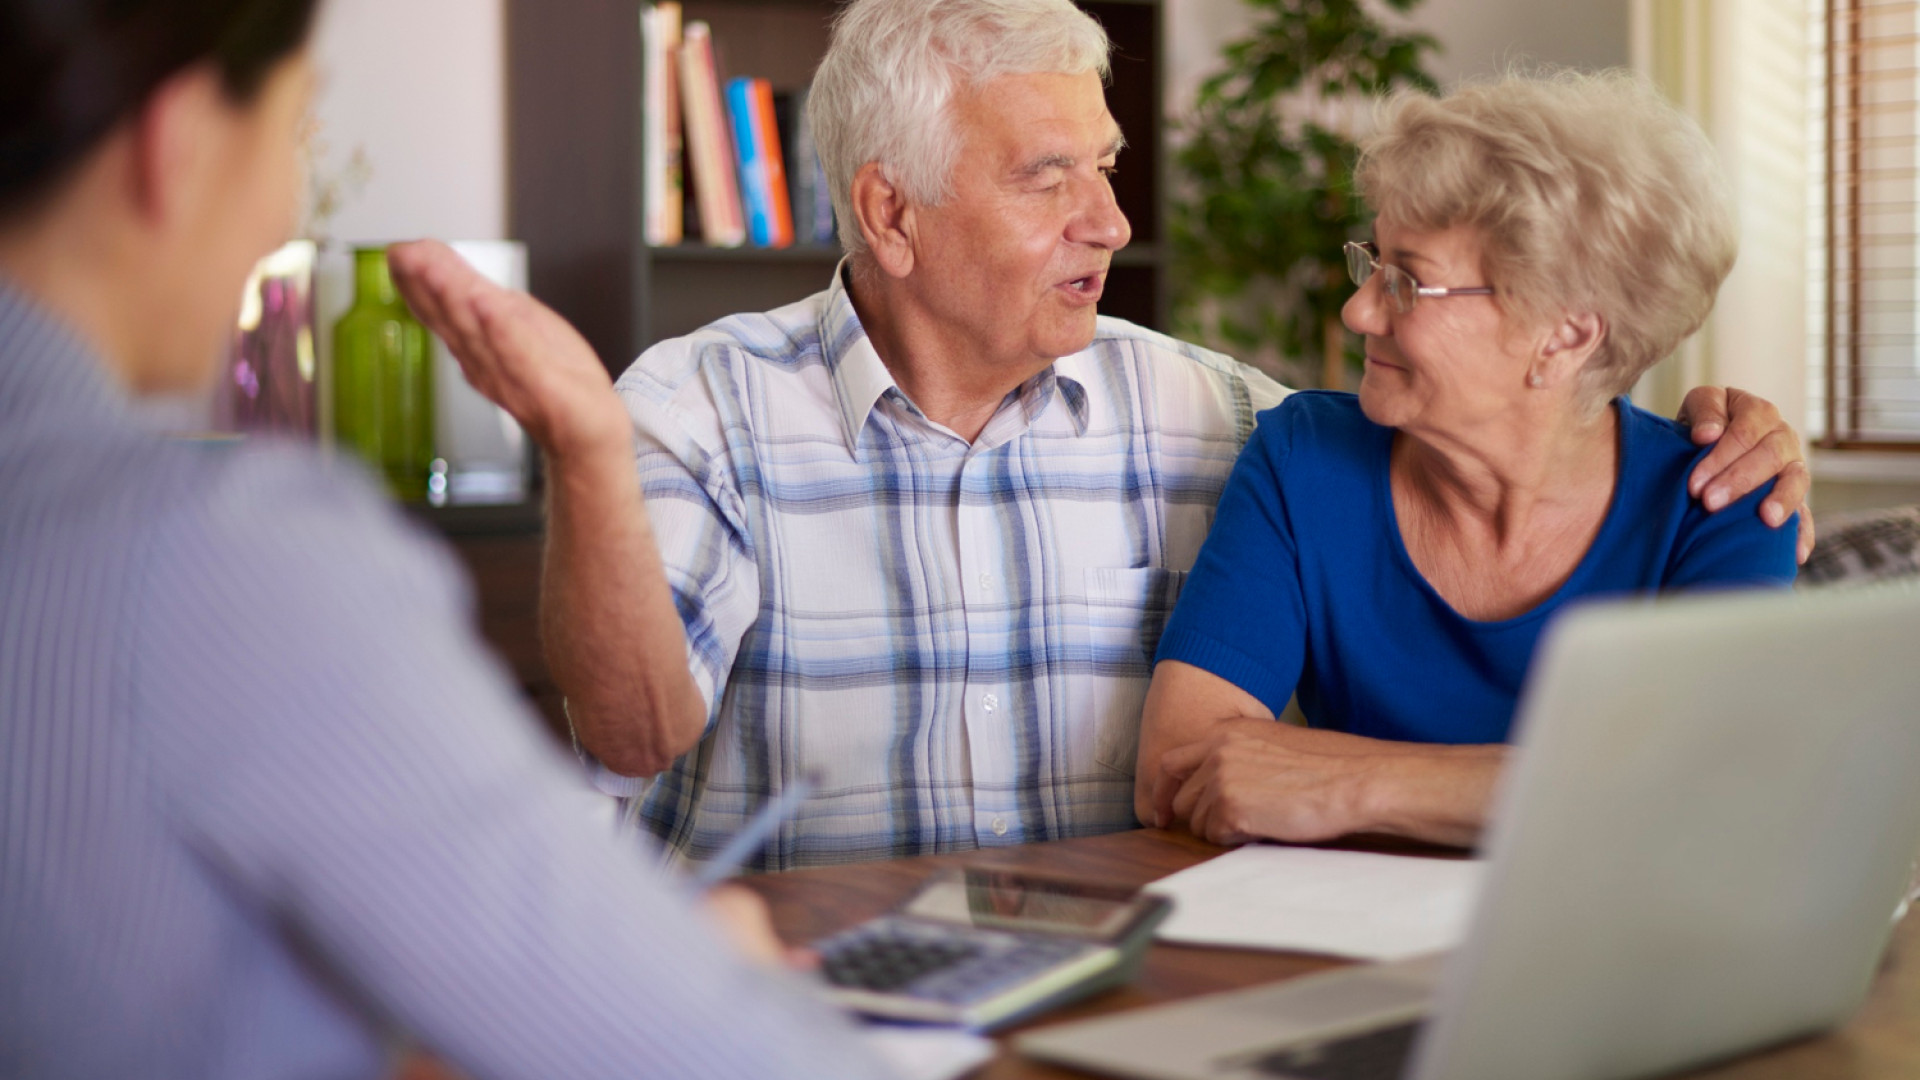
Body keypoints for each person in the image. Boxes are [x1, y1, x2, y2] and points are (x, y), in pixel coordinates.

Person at [391, 0, 1814, 871]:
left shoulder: (1214, 410)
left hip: (1109, 984)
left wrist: (1735, 425)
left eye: (1110, 171)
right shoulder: (696, 408)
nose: (1115, 225)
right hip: (792, 994)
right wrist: (582, 448)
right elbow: (632, 737)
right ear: (889, 214)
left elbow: (1493, 436)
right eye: (1049, 179)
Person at [0, 2, 894, 1077]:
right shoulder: (219, 558)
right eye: (294, 133)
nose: (284, 207)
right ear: (176, 144)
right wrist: (724, 975)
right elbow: (721, 1054)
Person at [1135, 71, 1800, 851]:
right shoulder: (1303, 457)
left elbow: (1710, 798)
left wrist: (1355, 782)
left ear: (1565, 334)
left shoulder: (1719, 498)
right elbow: (1179, 773)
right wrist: (1586, 786)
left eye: (1408, 282)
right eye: (1372, 261)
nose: (1358, 310)